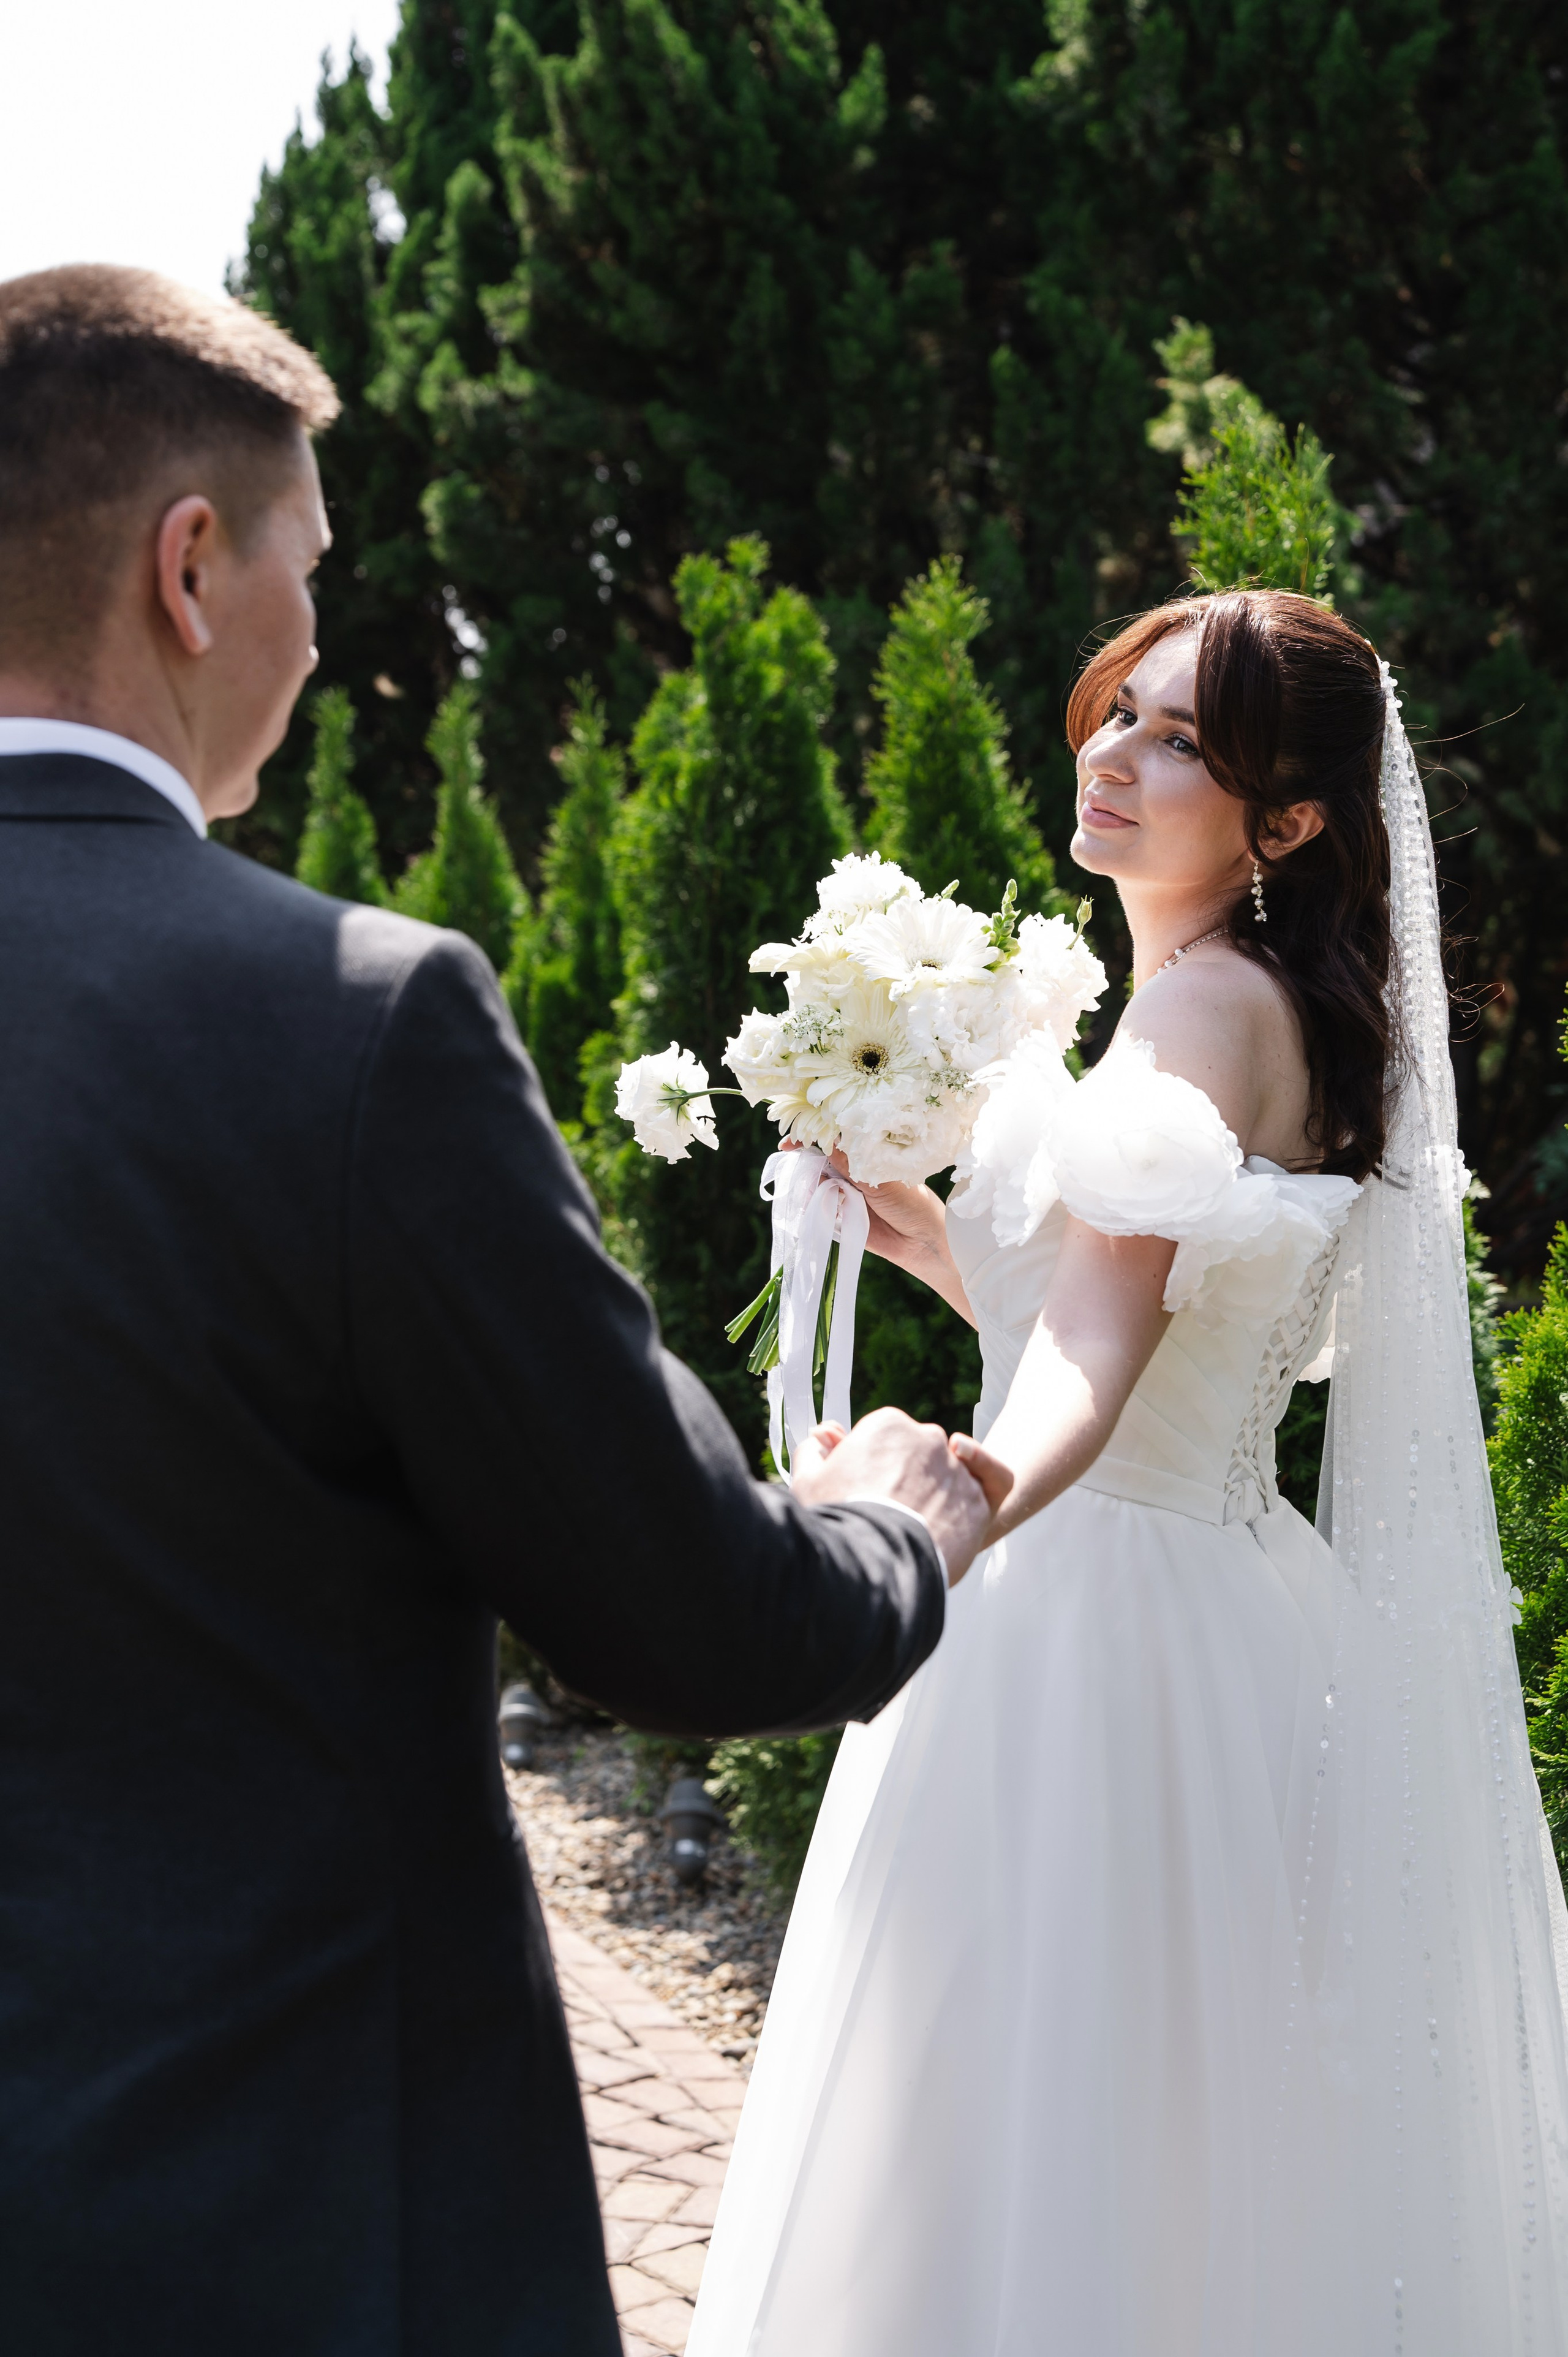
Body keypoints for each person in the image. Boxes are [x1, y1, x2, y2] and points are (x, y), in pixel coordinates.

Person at [0, 265, 1008, 2356]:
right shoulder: (349, 1025)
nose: (320, 634)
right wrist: (900, 1525)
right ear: (191, 570)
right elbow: (690, 1619)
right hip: (271, 2220)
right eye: (311, 565)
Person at [690, 590, 1568, 2353]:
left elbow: (1090, 1367)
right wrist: (931, 1239)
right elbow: (1122, 1308)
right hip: (1227, 1603)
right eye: (1119, 714)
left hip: (1093, 1613)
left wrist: (958, 1507)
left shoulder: (1194, 1020)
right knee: (1185, 2144)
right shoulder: (1250, 1003)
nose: (1114, 755)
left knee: (1028, 2127)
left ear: (1290, 821)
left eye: (1181, 742)